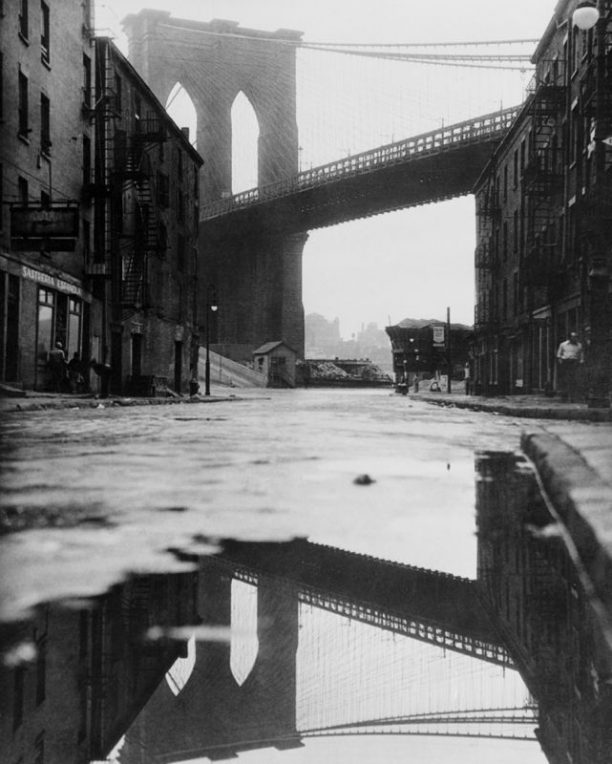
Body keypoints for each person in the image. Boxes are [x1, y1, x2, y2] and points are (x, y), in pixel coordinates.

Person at [556, 331, 584, 402]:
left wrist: (580, 362)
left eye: (575, 337)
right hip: (566, 363)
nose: (574, 338)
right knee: (565, 380)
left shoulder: (579, 345)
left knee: (574, 380)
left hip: (574, 363)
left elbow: (581, 355)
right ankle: (564, 397)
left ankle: (573, 397)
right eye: (573, 337)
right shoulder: (563, 344)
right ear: (569, 337)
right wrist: (561, 363)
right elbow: (559, 355)